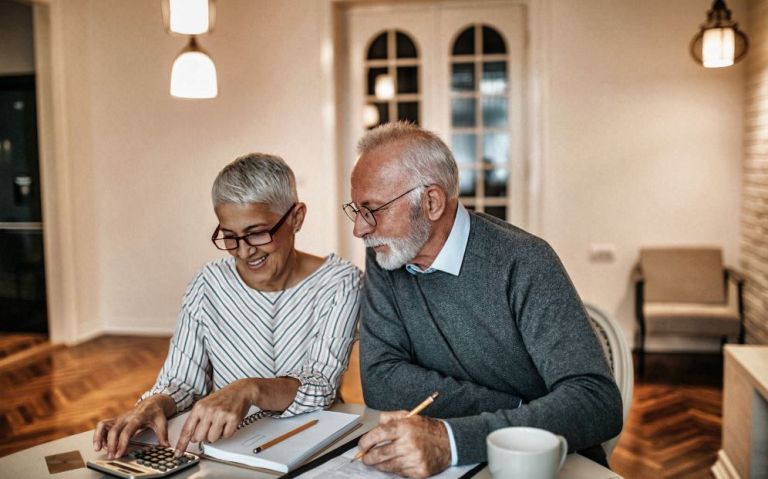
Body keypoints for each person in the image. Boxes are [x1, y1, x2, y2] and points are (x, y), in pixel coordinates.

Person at [343, 122, 622, 478]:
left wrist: (453, 438)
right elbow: (381, 381)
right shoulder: (387, 256)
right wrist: (518, 409)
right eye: (356, 210)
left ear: (431, 202)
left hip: (543, 464)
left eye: (373, 210)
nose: (360, 229)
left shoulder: (524, 261)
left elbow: (596, 402)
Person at [93, 153, 362, 460]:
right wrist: (153, 404)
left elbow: (321, 385)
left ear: (296, 217)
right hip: (225, 447)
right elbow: (181, 381)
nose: (244, 252)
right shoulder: (208, 283)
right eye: (230, 237)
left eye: (257, 233)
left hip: (312, 444)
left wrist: (250, 389)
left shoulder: (340, 282)